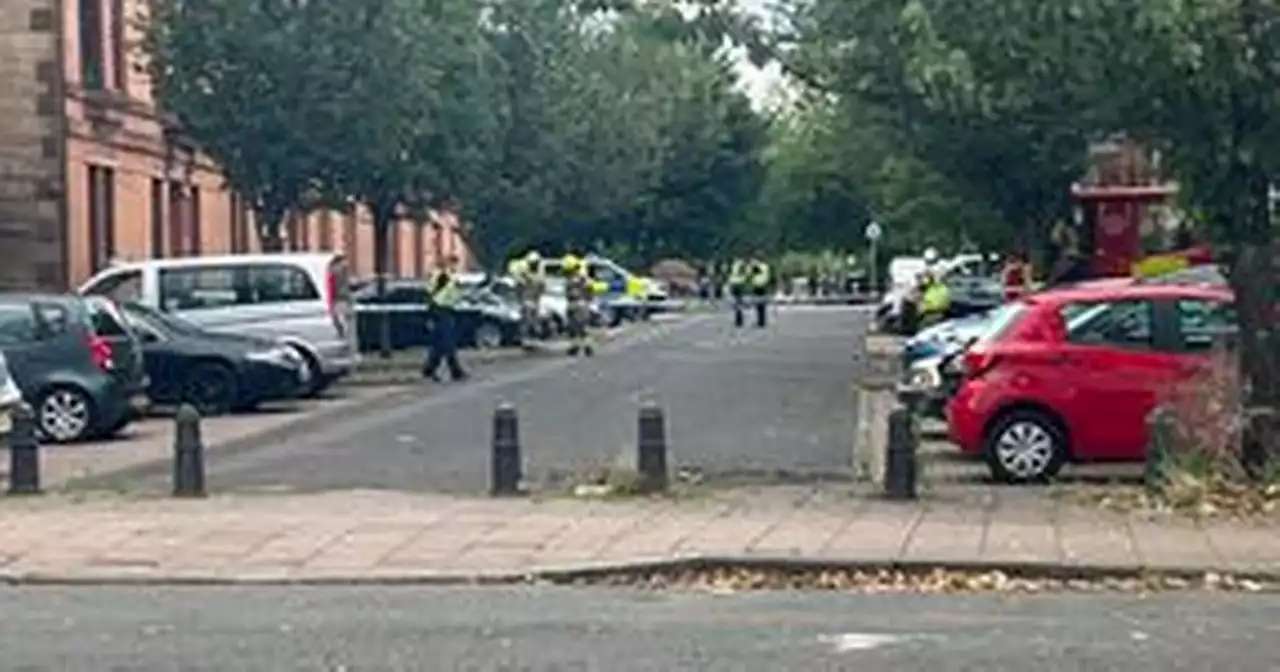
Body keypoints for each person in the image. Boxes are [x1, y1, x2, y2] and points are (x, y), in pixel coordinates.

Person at [422, 256, 468, 382]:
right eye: (453, 263)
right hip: (439, 311)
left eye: (456, 264)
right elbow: (430, 293)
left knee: (439, 345)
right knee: (448, 343)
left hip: (448, 311)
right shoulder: (442, 276)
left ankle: (429, 370)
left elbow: (455, 295)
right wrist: (430, 314)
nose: (455, 266)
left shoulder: (453, 277)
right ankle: (456, 372)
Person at [561, 253, 595, 356]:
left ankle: (582, 346)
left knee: (577, 327)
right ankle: (581, 346)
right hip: (580, 303)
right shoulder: (583, 278)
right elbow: (590, 290)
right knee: (578, 327)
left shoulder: (577, 279)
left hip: (576, 303)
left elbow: (588, 290)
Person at [514, 250, 545, 343]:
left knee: (534, 322)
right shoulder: (523, 275)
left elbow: (541, 288)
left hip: (534, 302)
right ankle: (526, 338)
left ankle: (533, 338)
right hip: (527, 301)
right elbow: (518, 289)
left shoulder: (539, 275)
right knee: (527, 321)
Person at [748, 255, 772, 327]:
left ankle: (759, 321)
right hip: (764, 285)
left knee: (758, 305)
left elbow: (749, 274)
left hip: (757, 286)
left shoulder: (754, 266)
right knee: (762, 306)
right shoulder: (765, 266)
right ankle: (762, 321)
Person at [728, 256, 748, 327]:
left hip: (735, 284)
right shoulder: (743, 265)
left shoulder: (734, 265)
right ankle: (740, 320)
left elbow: (731, 275)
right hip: (740, 284)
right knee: (740, 302)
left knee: (736, 302)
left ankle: (738, 320)